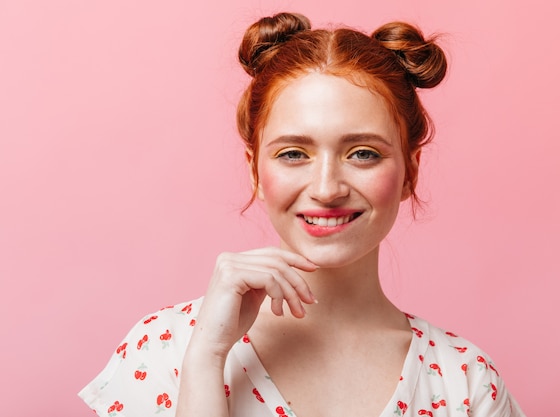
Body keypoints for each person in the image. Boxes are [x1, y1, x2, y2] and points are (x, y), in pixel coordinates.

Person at [79, 12, 525, 417]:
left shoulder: (464, 382)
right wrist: (206, 361)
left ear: (410, 171)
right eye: (294, 153)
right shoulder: (164, 351)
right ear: (255, 170)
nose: (327, 188)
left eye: (363, 153)